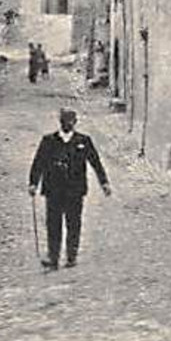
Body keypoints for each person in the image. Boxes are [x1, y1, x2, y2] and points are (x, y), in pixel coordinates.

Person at [27, 108, 111, 269]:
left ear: (75, 122)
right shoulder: (49, 141)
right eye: (65, 120)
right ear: (60, 122)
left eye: (71, 121)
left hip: (75, 190)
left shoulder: (83, 141)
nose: (68, 124)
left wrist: (104, 182)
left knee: (74, 223)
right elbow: (38, 162)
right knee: (53, 224)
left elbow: (95, 162)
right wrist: (33, 183)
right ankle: (53, 257)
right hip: (53, 190)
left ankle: (71, 256)